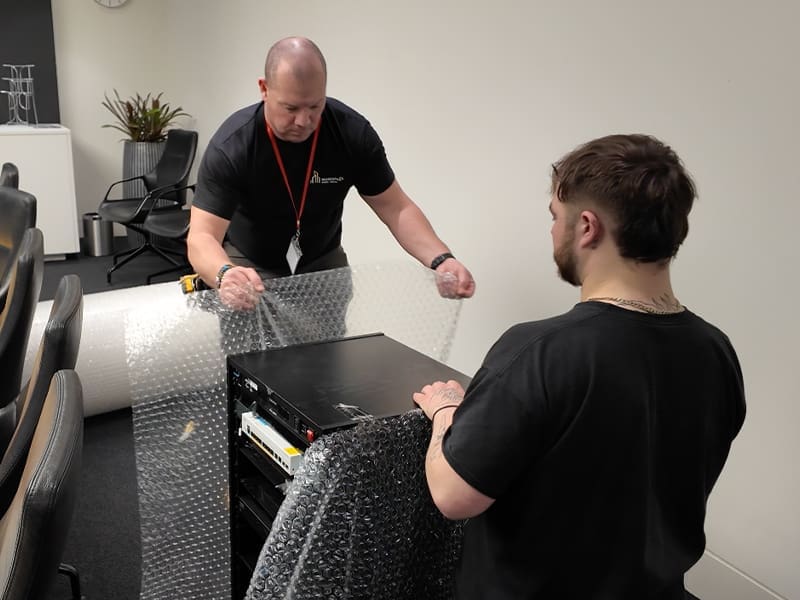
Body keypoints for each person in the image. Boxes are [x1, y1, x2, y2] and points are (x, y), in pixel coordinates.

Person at [413, 134, 746, 599]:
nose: (552, 229)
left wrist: (446, 413)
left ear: (587, 227)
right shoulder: (717, 352)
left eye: (555, 215)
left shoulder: (539, 351)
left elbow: (454, 495)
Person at [188, 36, 474, 309]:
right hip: (249, 263)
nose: (303, 120)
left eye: (315, 106)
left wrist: (441, 259)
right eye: (290, 108)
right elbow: (202, 237)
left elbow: (396, 208)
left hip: (321, 260)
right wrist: (224, 274)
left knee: (326, 356)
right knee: (251, 357)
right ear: (264, 89)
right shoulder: (233, 146)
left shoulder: (351, 134)